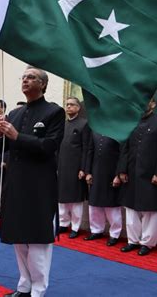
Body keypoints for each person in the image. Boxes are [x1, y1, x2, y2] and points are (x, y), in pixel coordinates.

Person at [0, 66, 64, 297]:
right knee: (19, 239)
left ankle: (38, 290)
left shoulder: (54, 112)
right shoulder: (14, 114)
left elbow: (49, 146)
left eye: (31, 77)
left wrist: (16, 136)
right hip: (16, 183)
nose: (25, 80)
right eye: (23, 77)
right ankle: (24, 286)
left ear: (43, 84)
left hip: (39, 184)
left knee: (37, 241)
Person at [117, 99, 157, 255]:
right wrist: (122, 170)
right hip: (131, 173)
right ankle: (132, 241)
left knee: (151, 211)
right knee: (131, 209)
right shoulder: (132, 121)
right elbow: (124, 147)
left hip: (151, 175)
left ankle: (147, 243)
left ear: (153, 104)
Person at [57, 96, 90, 239]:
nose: (69, 107)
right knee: (62, 198)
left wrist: (83, 168)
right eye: (67, 105)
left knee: (76, 200)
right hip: (62, 167)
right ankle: (63, 224)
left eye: (72, 105)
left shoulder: (84, 124)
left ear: (78, 108)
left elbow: (86, 149)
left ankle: (75, 227)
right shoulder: (61, 124)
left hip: (76, 169)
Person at [84, 133, 123, 246]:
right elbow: (90, 152)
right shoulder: (95, 131)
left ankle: (114, 234)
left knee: (112, 206)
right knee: (94, 204)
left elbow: (122, 155)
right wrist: (88, 172)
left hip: (111, 173)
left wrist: (118, 174)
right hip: (96, 172)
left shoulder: (118, 130)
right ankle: (96, 230)